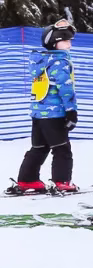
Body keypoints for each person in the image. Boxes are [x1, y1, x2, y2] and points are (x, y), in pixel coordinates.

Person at [10, 20, 79, 196]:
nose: (69, 44)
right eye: (66, 40)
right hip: (55, 113)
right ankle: (61, 181)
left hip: (39, 113)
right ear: (54, 42)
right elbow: (65, 88)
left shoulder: (40, 61)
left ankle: (28, 179)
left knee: (39, 147)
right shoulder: (58, 62)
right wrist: (71, 111)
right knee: (62, 148)